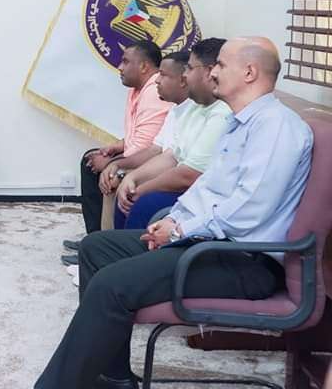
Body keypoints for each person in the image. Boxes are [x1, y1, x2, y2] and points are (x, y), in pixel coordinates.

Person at [35, 37, 313, 389]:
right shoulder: (240, 122)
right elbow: (206, 188)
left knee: (110, 284)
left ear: (249, 72)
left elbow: (248, 210)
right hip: (209, 244)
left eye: (220, 65)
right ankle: (113, 376)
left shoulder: (276, 128)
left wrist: (180, 230)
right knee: (97, 249)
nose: (212, 73)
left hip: (243, 260)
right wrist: (173, 219)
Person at [113, 38, 231, 229]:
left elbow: (189, 175)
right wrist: (132, 178)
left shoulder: (222, 113)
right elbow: (171, 156)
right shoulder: (194, 107)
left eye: (190, 68)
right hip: (188, 188)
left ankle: (123, 247)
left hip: (203, 196)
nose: (185, 75)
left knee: (142, 202)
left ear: (209, 72)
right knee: (128, 192)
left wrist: (141, 189)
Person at [76, 40, 172, 237]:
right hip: (145, 154)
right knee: (91, 159)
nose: (120, 67)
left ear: (144, 66)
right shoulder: (137, 89)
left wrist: (111, 163)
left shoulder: (154, 92)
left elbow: (146, 146)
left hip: (152, 160)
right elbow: (138, 133)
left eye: (125, 62)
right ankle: (94, 238)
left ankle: (101, 239)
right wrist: (116, 147)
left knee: (107, 174)